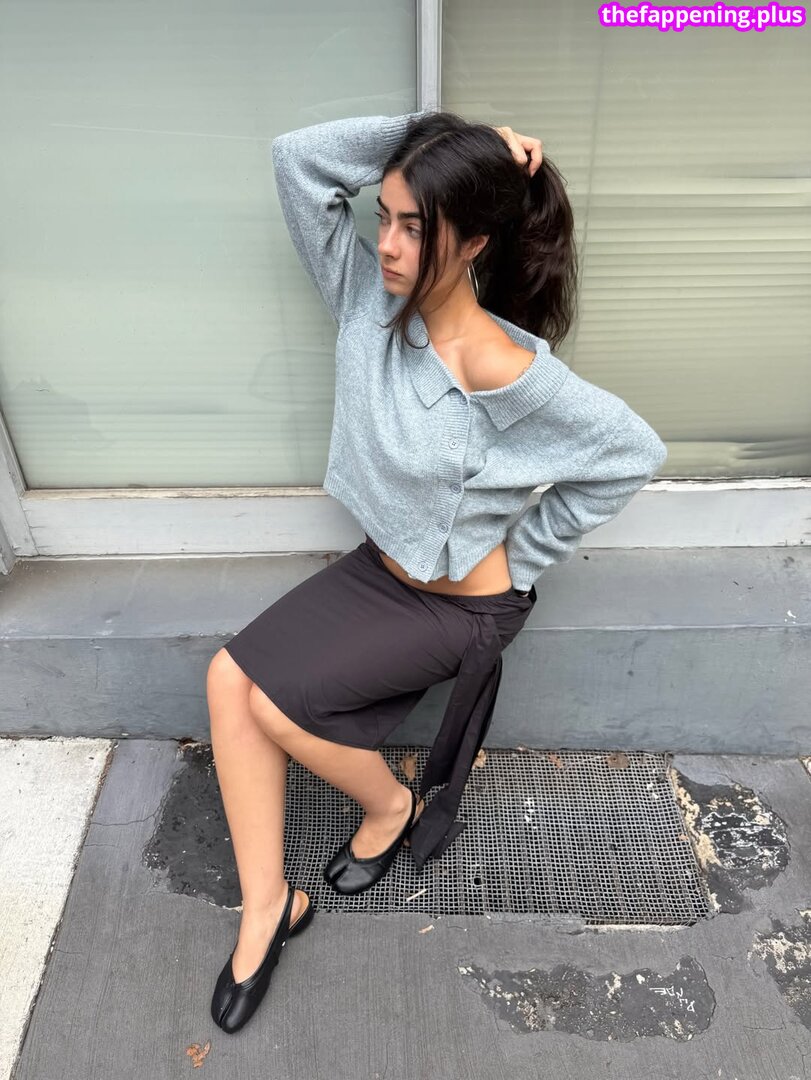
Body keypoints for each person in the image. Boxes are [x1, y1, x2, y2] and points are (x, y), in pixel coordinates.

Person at [207, 107, 667, 1034]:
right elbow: (296, 160)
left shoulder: (508, 370)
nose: (385, 244)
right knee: (227, 678)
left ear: (474, 243)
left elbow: (631, 455)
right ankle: (270, 905)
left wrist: (522, 557)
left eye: (414, 228)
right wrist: (446, 134)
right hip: (380, 574)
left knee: (277, 707)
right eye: (383, 217)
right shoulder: (364, 301)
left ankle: (390, 805)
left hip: (465, 611)